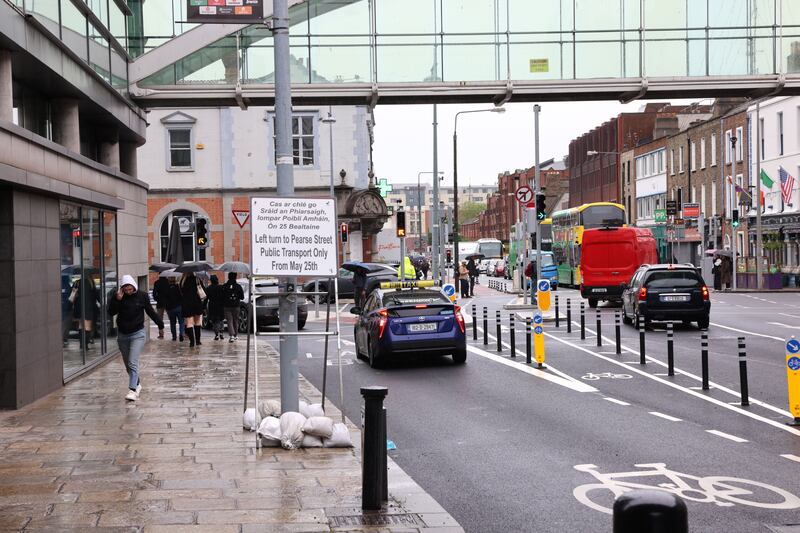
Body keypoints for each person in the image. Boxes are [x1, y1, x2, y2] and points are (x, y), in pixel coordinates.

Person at [107, 275, 164, 401]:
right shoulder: (117, 296)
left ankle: (132, 390)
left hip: (137, 334)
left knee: (133, 361)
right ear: (122, 288)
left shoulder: (142, 296)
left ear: (134, 286)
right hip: (122, 335)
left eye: (130, 289)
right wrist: (117, 299)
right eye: (125, 289)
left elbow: (150, 310)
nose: (128, 291)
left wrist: (160, 324)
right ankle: (137, 384)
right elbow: (111, 312)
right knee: (128, 364)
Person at [70, 274, 99, 349]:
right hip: (88, 308)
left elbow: (72, 296)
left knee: (81, 325)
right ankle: (85, 344)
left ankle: (81, 344)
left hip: (78, 308)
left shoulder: (77, 282)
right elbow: (96, 295)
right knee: (87, 327)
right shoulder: (91, 283)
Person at [180, 272, 206, 347]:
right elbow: (203, 290)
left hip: (187, 304)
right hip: (196, 303)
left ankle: (192, 342)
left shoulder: (182, 281)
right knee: (197, 322)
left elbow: (181, 293)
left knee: (189, 323)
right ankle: (198, 341)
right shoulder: (197, 280)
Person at [222, 272, 245, 342]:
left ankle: (231, 335)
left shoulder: (224, 286)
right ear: (235, 277)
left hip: (227, 306)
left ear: (228, 277)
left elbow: (221, 296)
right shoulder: (238, 286)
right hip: (236, 306)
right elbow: (242, 297)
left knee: (229, 321)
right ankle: (236, 335)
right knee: (236, 320)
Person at [163, 276, 185, 341]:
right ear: (174, 280)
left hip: (170, 308)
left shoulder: (166, 288)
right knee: (181, 322)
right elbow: (182, 296)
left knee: (172, 323)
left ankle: (174, 336)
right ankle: (181, 334)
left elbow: (165, 299)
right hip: (179, 307)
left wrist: (166, 308)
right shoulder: (178, 287)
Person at [206, 274, 226, 340]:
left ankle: (216, 334)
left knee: (214, 321)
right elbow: (224, 296)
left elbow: (206, 298)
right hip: (220, 306)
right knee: (221, 320)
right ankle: (221, 333)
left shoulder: (209, 288)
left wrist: (203, 306)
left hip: (212, 306)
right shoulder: (221, 287)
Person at [151, 274, 170, 339]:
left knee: (159, 319)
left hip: (160, 303)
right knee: (172, 319)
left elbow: (154, 293)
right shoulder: (168, 282)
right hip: (168, 302)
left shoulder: (157, 283)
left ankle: (161, 333)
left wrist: (157, 299)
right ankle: (174, 334)